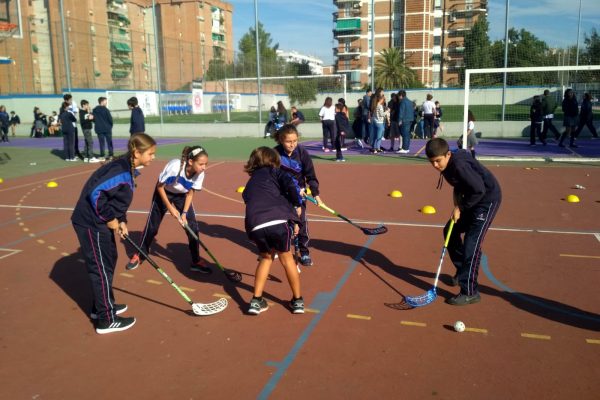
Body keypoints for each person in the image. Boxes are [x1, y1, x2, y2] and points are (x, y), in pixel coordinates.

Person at [71, 133, 157, 334]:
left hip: (99, 220)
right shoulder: (121, 170)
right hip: (90, 222)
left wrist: (122, 221)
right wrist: (111, 220)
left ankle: (102, 306)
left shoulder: (128, 168)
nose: (153, 157)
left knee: (109, 259)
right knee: (100, 268)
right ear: (137, 152)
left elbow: (115, 198)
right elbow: (97, 194)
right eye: (151, 154)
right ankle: (106, 320)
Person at [425, 137, 501, 306]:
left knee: (471, 245)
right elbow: (460, 184)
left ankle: (470, 292)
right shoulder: (447, 164)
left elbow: (479, 189)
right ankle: (462, 271)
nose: (435, 165)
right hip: (471, 199)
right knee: (449, 231)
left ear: (448, 155)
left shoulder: (459, 166)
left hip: (486, 200)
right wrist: (458, 203)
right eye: (432, 162)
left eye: (438, 161)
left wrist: (460, 207)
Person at [126, 146, 211, 273]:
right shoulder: (175, 167)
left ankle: (195, 260)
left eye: (206, 164)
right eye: (201, 164)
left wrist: (184, 214)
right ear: (191, 162)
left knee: (192, 227)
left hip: (182, 195)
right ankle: (140, 254)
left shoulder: (200, 174)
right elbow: (160, 186)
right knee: (152, 226)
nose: (204, 167)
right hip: (164, 192)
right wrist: (170, 207)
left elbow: (190, 193)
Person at [242, 146, 304, 315]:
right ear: (274, 160)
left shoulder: (251, 181)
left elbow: (247, 197)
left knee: (265, 258)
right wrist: (297, 203)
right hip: (278, 222)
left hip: (256, 225)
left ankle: (256, 300)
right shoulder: (277, 173)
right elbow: (291, 185)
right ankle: (297, 301)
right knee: (287, 258)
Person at [273, 124, 322, 266]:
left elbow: (311, 175)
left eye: (295, 141)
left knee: (301, 221)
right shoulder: (274, 154)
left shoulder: (302, 152)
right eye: (289, 141)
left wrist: (316, 194)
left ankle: (304, 252)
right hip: (281, 194)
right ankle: (280, 248)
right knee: (281, 224)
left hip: (299, 195)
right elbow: (270, 175)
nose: (292, 144)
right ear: (281, 140)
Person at [93, 97, 114, 161]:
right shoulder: (106, 110)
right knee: (109, 142)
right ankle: (111, 155)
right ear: (101, 102)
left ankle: (102, 156)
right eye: (105, 101)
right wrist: (110, 126)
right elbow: (110, 119)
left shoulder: (95, 110)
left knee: (101, 143)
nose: (106, 102)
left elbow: (93, 119)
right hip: (107, 129)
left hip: (99, 129)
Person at [63, 94, 83, 159]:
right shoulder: (64, 106)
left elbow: (76, 111)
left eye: (71, 99)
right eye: (70, 100)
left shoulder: (73, 103)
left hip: (73, 125)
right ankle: (71, 155)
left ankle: (74, 153)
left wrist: (78, 109)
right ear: (66, 100)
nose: (71, 100)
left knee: (75, 140)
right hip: (68, 126)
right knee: (69, 142)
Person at [397, 90, 414, 154]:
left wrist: (399, 120)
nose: (398, 97)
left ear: (401, 95)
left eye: (399, 96)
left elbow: (401, 112)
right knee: (407, 134)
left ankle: (405, 148)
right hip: (410, 119)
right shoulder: (410, 102)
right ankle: (406, 148)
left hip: (405, 120)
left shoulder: (403, 102)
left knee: (405, 134)